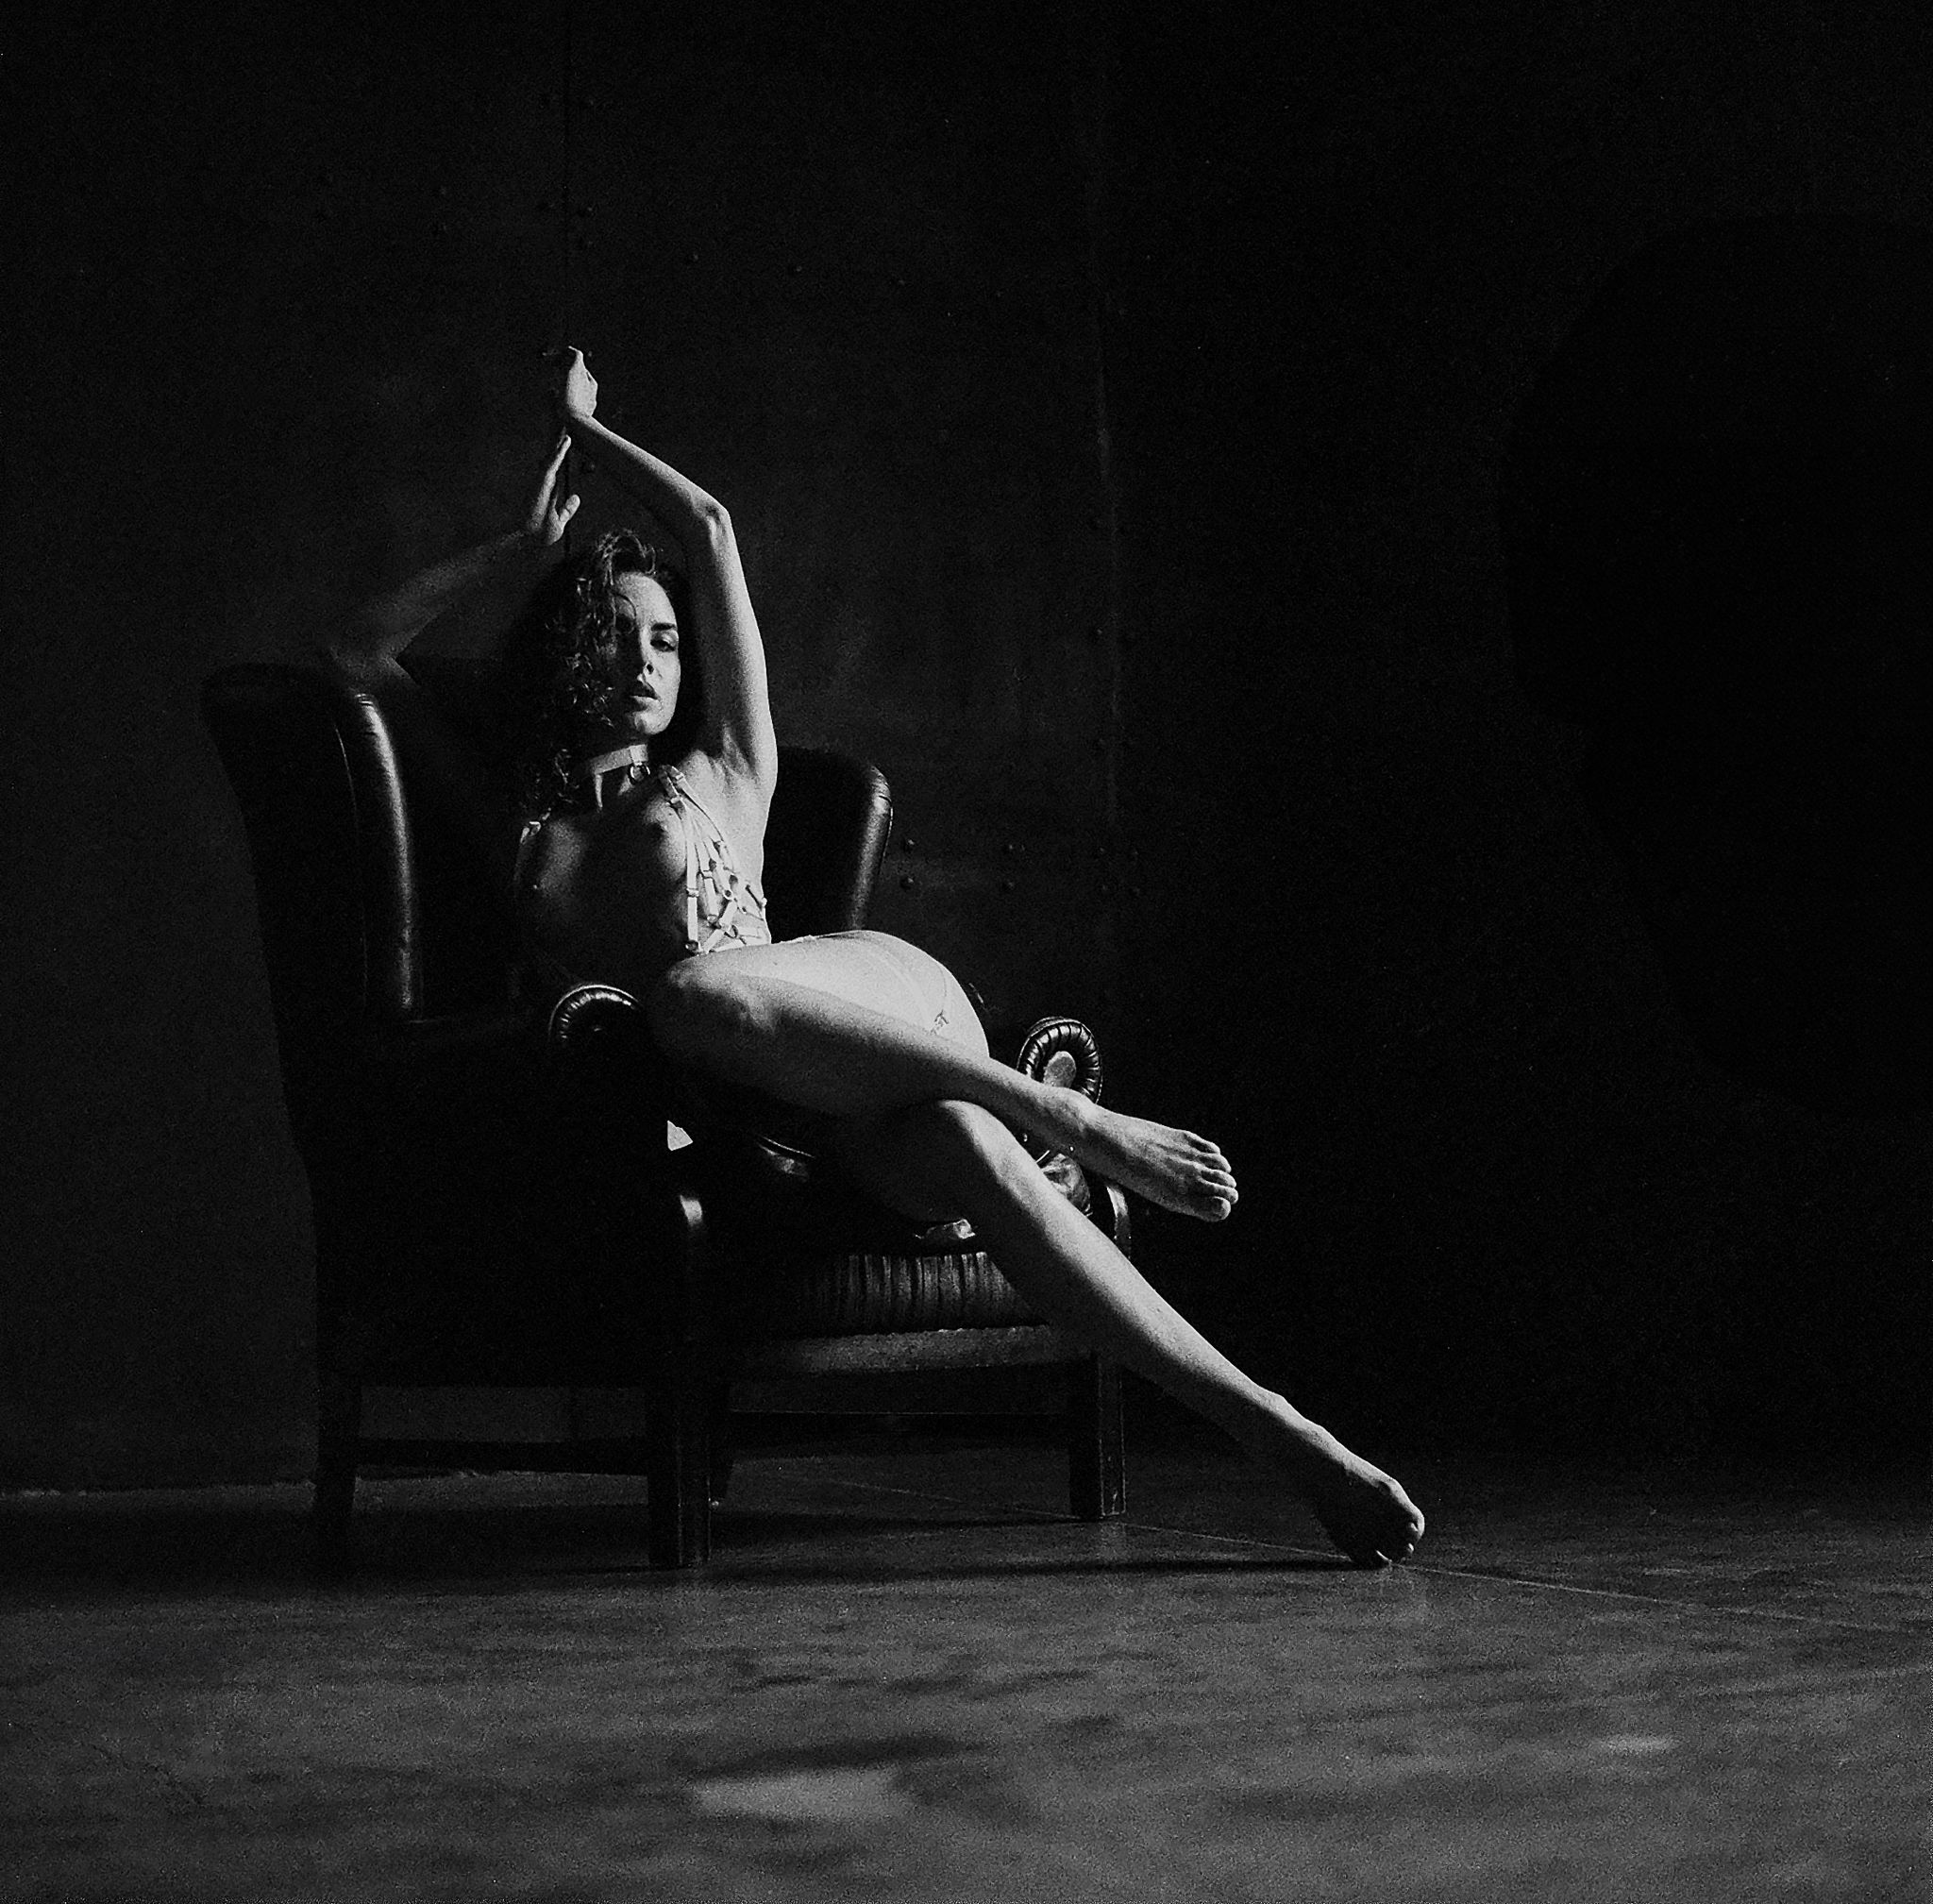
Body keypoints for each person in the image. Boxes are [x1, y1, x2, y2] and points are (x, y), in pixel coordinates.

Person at [324, 348, 1425, 1567]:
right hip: (791, 1133)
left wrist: (588, 437)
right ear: (568, 650)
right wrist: (518, 548)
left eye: (668, 642)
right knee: (946, 1139)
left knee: (688, 993)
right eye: (617, 634)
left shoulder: (726, 769)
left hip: (875, 1002)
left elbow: (709, 526)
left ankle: (1069, 1114)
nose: (646, 661)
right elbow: (357, 651)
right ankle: (1281, 1433)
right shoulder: (523, 831)